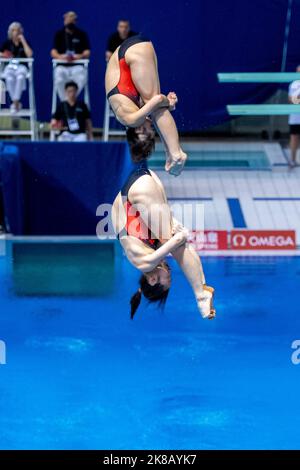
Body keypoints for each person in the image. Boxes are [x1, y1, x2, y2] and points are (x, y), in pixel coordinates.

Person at [111, 121, 215, 320]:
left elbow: (172, 245)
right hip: (136, 186)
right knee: (171, 237)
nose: (170, 273)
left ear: (152, 280)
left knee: (175, 244)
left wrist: (182, 235)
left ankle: (201, 295)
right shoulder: (149, 250)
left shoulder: (142, 262)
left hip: (136, 193)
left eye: (168, 278)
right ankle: (172, 150)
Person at [105, 34, 187, 176]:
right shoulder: (134, 109)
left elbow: (158, 100)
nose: (144, 129)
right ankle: (171, 152)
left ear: (131, 131)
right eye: (146, 134)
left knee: (154, 105)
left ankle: (176, 153)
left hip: (131, 52)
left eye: (140, 133)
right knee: (154, 107)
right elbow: (157, 105)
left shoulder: (131, 119)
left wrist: (169, 103)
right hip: (130, 51)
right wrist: (165, 104)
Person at [51, 11, 91, 101]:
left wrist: (78, 56)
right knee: (58, 78)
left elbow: (87, 52)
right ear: (64, 20)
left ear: (75, 21)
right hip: (62, 66)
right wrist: (62, 57)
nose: (70, 22)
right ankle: (66, 102)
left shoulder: (82, 34)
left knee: (81, 78)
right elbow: (53, 52)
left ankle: (69, 102)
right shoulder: (59, 34)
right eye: (68, 19)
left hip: (77, 65)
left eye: (72, 20)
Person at [0, 22, 33, 113]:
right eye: (14, 30)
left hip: (21, 66)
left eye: (18, 30)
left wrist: (23, 41)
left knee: (20, 77)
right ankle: (16, 103)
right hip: (9, 67)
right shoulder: (7, 43)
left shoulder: (25, 42)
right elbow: (1, 53)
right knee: (9, 78)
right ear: (10, 32)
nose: (16, 32)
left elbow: (30, 54)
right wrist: (3, 55)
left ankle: (14, 103)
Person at [288, 65, 300, 168]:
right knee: (294, 138)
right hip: (295, 118)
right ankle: (292, 160)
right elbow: (292, 100)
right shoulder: (294, 85)